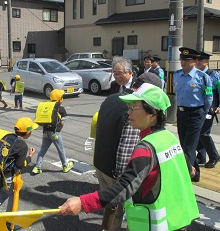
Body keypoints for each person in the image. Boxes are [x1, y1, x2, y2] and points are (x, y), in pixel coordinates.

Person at [59, 83, 199, 231]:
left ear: (152, 113)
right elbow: (189, 169)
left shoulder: (145, 148)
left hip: (155, 224)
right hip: (179, 220)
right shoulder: (169, 137)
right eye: (129, 107)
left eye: (134, 108)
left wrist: (82, 202)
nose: (128, 113)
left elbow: (123, 189)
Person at [93, 72, 162, 230]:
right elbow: (127, 146)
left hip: (101, 164)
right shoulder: (135, 108)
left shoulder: (111, 98)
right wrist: (122, 176)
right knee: (119, 214)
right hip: (116, 172)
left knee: (109, 210)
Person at [173, 47, 213, 182]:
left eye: (187, 60)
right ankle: (196, 174)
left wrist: (204, 112)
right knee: (184, 144)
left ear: (195, 61)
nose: (183, 62)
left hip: (196, 113)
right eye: (182, 59)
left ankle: (185, 176)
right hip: (181, 113)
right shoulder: (177, 74)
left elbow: (208, 97)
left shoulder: (203, 77)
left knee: (190, 147)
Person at [0, 117, 36, 215]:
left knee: (3, 193)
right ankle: (9, 220)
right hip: (8, 176)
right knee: (12, 194)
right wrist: (30, 156)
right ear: (28, 132)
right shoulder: (22, 145)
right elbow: (20, 164)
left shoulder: (8, 137)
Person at [32, 89, 74, 174]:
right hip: (55, 133)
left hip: (45, 132)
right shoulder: (60, 108)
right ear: (60, 99)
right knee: (60, 150)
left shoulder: (47, 107)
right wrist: (58, 130)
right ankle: (65, 166)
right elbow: (62, 123)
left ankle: (37, 167)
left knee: (43, 150)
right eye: (62, 97)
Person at [195, 51, 220, 168]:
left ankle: (214, 156)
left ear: (206, 61)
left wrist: (219, 106)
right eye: (197, 60)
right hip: (198, 107)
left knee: (204, 133)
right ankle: (201, 156)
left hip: (210, 107)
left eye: (200, 60)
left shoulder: (213, 75)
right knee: (198, 131)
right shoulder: (195, 74)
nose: (198, 62)